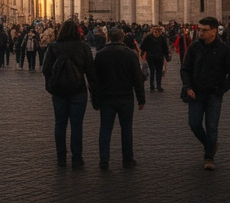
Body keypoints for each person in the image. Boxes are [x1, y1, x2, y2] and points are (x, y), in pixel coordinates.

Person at [179, 16, 230, 171]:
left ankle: (209, 157)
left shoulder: (224, 49)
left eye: (204, 30)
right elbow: (185, 69)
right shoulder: (195, 47)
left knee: (212, 126)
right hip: (196, 93)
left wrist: (222, 89)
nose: (200, 33)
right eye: (199, 30)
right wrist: (188, 86)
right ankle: (210, 145)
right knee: (194, 124)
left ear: (214, 30)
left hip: (214, 94)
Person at [42, 20, 97, 168]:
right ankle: (77, 158)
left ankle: (61, 158)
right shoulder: (83, 47)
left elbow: (45, 69)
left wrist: (50, 85)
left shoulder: (54, 47)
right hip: (78, 91)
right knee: (76, 125)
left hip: (59, 92)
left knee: (60, 125)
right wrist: (94, 91)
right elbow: (91, 72)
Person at [91, 27, 146, 169]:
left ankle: (104, 160)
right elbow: (137, 78)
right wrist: (141, 99)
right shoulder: (130, 54)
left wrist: (95, 99)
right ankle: (127, 159)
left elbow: (95, 80)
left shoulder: (101, 54)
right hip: (126, 97)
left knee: (105, 129)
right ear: (122, 38)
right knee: (126, 128)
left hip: (106, 98)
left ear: (108, 38)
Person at [140, 26, 170, 93]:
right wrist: (142, 54)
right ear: (152, 31)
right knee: (152, 71)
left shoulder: (162, 38)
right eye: (155, 32)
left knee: (159, 72)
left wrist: (167, 55)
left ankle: (159, 86)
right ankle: (152, 86)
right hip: (151, 57)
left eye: (158, 32)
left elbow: (165, 48)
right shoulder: (148, 37)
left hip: (159, 57)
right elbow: (143, 46)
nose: (157, 33)